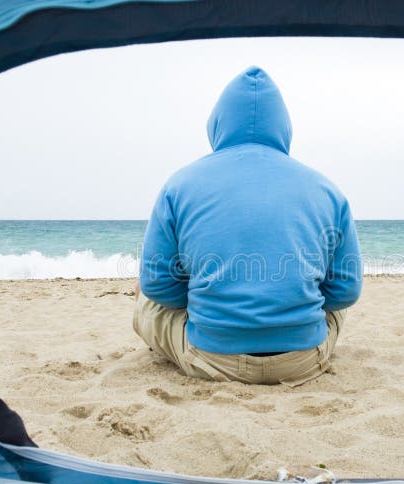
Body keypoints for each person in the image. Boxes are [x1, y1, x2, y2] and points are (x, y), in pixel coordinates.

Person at [133, 66, 362, 386]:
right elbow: (346, 291)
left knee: (144, 298)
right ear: (284, 127)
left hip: (211, 357)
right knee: (335, 307)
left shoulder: (179, 184)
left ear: (216, 123)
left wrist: (214, 298)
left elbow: (157, 285)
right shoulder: (328, 190)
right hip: (304, 359)